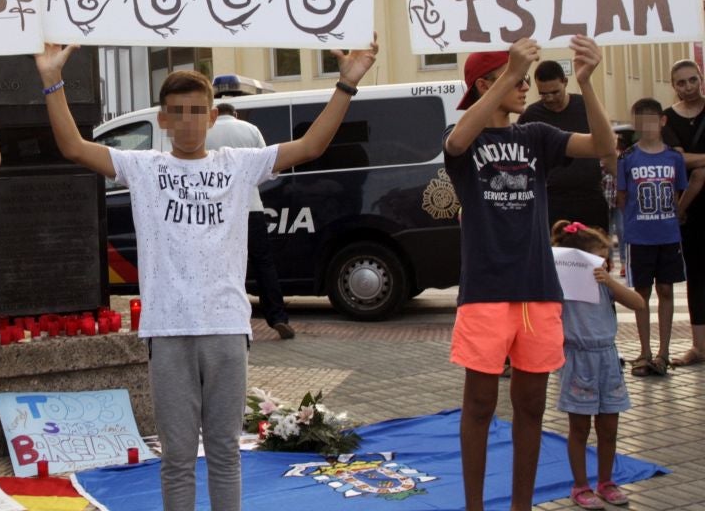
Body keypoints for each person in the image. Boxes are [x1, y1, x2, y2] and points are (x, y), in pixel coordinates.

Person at [34, 38, 377, 511]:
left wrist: (346, 83)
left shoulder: (238, 165)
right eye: (178, 112)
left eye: (198, 111)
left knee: (224, 454)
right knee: (177, 459)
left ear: (213, 117)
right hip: (168, 331)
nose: (188, 121)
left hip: (226, 329)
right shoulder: (143, 167)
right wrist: (52, 79)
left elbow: (312, 145)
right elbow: (73, 147)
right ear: (163, 119)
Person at [443, 37, 616, 511]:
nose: (525, 88)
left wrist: (587, 84)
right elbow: (455, 143)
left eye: (522, 79)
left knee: (532, 407)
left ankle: (522, 506)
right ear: (487, 84)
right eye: (518, 79)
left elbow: (604, 146)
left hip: (538, 290)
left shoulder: (536, 135)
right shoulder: (466, 138)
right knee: (480, 405)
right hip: (485, 291)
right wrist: (508, 73)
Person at [550, 220, 644, 510]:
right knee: (579, 428)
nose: (604, 263)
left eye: (606, 258)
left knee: (609, 428)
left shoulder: (605, 286)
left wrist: (610, 281)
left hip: (608, 358)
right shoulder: (563, 287)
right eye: (599, 258)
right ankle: (580, 485)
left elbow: (638, 303)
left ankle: (606, 481)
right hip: (578, 360)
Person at [205, 102, 294, 339]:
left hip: (218, 211)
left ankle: (223, 319)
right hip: (251, 207)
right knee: (263, 263)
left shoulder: (205, 131)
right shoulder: (250, 129)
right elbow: (271, 169)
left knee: (221, 267)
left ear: (215, 114)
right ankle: (278, 317)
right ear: (235, 114)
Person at [616, 98, 688, 377]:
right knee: (641, 293)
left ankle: (663, 353)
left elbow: (678, 193)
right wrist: (633, 223)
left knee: (666, 289)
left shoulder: (674, 158)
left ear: (662, 121)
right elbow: (622, 197)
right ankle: (644, 351)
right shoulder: (627, 158)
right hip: (639, 237)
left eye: (651, 121)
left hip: (668, 235)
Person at [518, 60, 609, 230]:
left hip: (590, 195)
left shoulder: (585, 106)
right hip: (552, 198)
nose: (550, 98)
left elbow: (606, 138)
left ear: (565, 82)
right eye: (543, 94)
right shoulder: (531, 115)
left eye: (555, 92)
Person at [662, 59, 705, 367]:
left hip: (688, 202)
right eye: (681, 82)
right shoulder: (667, 118)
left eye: (693, 80)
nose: (688, 87)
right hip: (688, 207)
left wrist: (694, 160)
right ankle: (699, 346)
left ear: (701, 78)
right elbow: (676, 160)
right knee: (697, 276)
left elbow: (689, 161)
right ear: (673, 85)